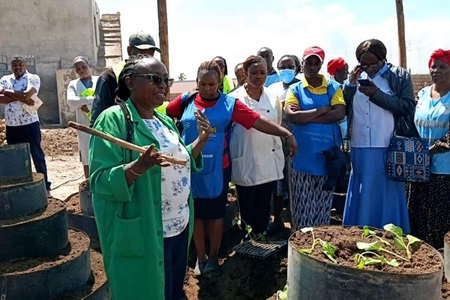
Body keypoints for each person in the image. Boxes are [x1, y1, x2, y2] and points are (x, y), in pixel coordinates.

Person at [89, 56, 210, 300]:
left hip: (178, 225)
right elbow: (100, 181)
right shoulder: (113, 119)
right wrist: (138, 167)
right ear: (130, 82)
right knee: (146, 291)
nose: (163, 85)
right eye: (155, 79)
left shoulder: (164, 120)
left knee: (172, 289)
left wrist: (201, 140)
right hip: (145, 229)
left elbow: (180, 158)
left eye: (166, 79)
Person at [167, 59, 296, 276]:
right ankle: (200, 258)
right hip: (188, 169)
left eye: (212, 84)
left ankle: (214, 258)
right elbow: (165, 117)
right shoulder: (184, 101)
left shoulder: (230, 104)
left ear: (220, 82)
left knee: (216, 215)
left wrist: (287, 134)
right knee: (196, 215)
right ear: (196, 83)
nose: (208, 89)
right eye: (203, 84)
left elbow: (257, 121)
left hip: (218, 168)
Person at [342, 39, 416, 232]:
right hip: (360, 146)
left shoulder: (398, 76)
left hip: (387, 145)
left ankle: (388, 233)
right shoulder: (356, 78)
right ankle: (360, 232)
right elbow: (344, 106)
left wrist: (376, 94)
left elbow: (407, 106)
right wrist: (350, 85)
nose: (369, 68)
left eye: (373, 63)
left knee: (386, 191)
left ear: (383, 59)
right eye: (364, 64)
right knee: (363, 189)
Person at [229, 55, 297, 238]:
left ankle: (261, 240)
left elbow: (278, 123)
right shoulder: (234, 99)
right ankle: (249, 243)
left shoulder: (273, 97)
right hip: (246, 159)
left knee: (264, 206)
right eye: (254, 73)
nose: (259, 77)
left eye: (263, 72)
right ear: (245, 73)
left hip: (268, 158)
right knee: (247, 207)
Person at [285, 46, 346, 229]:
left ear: (321, 65)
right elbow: (291, 116)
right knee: (302, 207)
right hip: (302, 156)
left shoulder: (333, 87)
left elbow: (339, 114)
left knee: (323, 206)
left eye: (316, 62)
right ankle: (302, 249)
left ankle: (319, 247)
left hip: (327, 158)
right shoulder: (295, 89)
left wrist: (306, 115)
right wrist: (322, 110)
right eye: (308, 62)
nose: (312, 66)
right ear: (302, 65)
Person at [408, 49, 450, 249]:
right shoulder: (423, 93)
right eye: (434, 66)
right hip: (419, 166)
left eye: (443, 66)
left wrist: (432, 150)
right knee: (417, 213)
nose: (437, 70)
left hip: (444, 168)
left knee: (440, 217)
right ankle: (421, 258)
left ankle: (441, 261)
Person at [0, 56, 51, 196]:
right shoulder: (4, 80)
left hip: (30, 124)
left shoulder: (33, 78)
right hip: (12, 125)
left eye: (20, 65)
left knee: (37, 155)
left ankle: (45, 186)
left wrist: (6, 92)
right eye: (15, 65)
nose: (18, 67)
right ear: (11, 66)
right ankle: (21, 187)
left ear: (25, 65)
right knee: (16, 157)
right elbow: (1, 99)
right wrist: (22, 97)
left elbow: (28, 94)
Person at [90, 31, 160, 125]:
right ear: (129, 50)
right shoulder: (109, 77)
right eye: (142, 52)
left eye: (151, 53)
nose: (146, 58)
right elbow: (97, 121)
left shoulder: (156, 78)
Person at [266, 54, 300, 234]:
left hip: (298, 140)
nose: (286, 69)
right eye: (282, 66)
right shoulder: (272, 88)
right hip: (277, 140)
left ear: (297, 67)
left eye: (290, 66)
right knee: (278, 182)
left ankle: (297, 220)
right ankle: (277, 219)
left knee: (295, 182)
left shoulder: (301, 86)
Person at [67, 56, 99, 178]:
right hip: (83, 124)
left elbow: (103, 99)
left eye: (84, 67)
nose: (82, 71)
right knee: (86, 153)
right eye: (78, 69)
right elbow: (71, 101)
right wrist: (91, 100)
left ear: (89, 66)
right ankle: (88, 181)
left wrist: (86, 105)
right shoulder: (74, 84)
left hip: (100, 121)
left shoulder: (99, 80)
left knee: (101, 150)